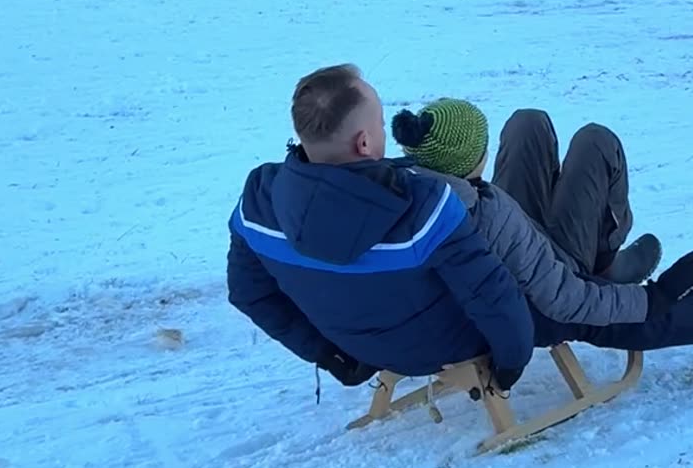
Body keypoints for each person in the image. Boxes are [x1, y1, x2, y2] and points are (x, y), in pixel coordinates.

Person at [224, 63, 535, 396]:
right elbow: (491, 292)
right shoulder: (424, 207)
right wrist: (512, 360)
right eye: (382, 125)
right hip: (446, 347)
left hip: (356, 348)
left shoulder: (258, 202)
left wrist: (327, 353)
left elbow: (248, 292)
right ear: (364, 143)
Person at [390, 97, 693, 352]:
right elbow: (569, 300)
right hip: (541, 285)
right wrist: (655, 297)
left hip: (501, 271)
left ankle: (603, 262)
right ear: (474, 157)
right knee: (596, 143)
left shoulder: (399, 190)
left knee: (528, 123)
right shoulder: (480, 215)